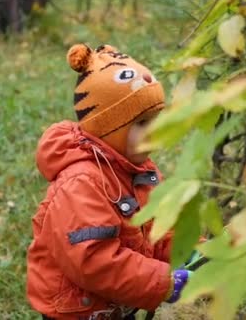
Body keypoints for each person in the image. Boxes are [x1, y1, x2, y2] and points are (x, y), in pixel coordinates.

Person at [26, 44, 191, 320]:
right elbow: (95, 262)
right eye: (142, 123)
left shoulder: (139, 170)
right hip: (79, 311)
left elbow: (160, 229)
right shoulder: (81, 183)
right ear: (108, 128)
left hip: (118, 302)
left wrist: (191, 251)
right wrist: (166, 282)